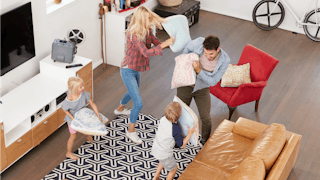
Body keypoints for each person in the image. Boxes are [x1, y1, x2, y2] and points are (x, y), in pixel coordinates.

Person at [114, 6, 175, 144]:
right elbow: (146, 53)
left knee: (132, 91)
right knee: (138, 103)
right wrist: (165, 44)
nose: (149, 21)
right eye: (147, 19)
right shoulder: (133, 34)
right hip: (127, 69)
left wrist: (168, 43)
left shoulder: (146, 30)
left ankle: (119, 109)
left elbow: (156, 43)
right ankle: (131, 132)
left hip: (137, 68)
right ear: (141, 19)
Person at [178, 35, 230, 145]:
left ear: (218, 49)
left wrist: (198, 70)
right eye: (205, 53)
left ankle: (205, 141)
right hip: (186, 84)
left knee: (206, 118)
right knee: (179, 112)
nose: (208, 56)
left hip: (202, 88)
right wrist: (186, 60)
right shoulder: (198, 43)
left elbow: (212, 81)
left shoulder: (225, 60)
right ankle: (177, 137)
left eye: (211, 54)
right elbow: (187, 47)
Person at [61, 77, 107, 160]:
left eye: (83, 86)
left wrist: (98, 116)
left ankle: (86, 134)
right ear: (74, 89)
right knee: (73, 136)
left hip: (82, 114)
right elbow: (64, 110)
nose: (83, 88)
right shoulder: (69, 99)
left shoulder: (84, 94)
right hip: (73, 119)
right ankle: (68, 153)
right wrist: (72, 118)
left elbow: (92, 104)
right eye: (80, 87)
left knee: (86, 126)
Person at [151, 102, 195, 180]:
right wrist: (190, 133)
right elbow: (181, 145)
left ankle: (156, 177)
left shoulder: (163, 118)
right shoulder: (175, 129)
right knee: (173, 169)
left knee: (162, 161)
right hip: (165, 153)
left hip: (156, 147)